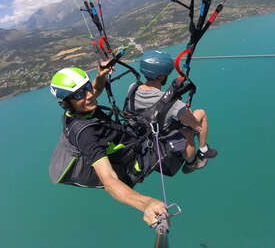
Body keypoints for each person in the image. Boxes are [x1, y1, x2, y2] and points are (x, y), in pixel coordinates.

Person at [48, 64, 167, 226]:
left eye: (87, 87)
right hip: (135, 159)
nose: (89, 95)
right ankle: (194, 159)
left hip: (130, 139)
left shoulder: (78, 109)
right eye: (79, 94)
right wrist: (145, 204)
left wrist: (100, 75)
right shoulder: (86, 134)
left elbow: (95, 90)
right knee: (181, 134)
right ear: (66, 103)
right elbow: (109, 181)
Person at [127, 50, 218, 174]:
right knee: (195, 124)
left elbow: (153, 100)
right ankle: (195, 159)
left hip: (142, 130)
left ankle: (200, 150)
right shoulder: (173, 104)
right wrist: (181, 107)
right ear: (161, 77)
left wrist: (173, 93)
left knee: (185, 122)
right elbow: (196, 125)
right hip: (161, 134)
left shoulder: (132, 88)